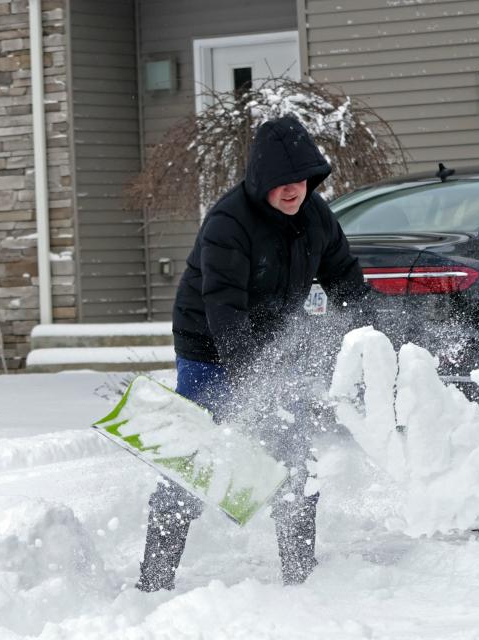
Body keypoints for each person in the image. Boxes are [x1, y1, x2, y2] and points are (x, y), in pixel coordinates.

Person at [136, 115, 368, 592]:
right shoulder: (228, 223)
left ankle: (300, 577)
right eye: (282, 182)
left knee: (292, 460)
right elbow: (223, 311)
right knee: (194, 458)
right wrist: (253, 384)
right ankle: (154, 580)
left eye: (300, 179)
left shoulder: (316, 217)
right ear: (262, 180)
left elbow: (346, 279)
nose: (293, 190)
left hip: (272, 346)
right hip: (208, 346)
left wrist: (371, 337)